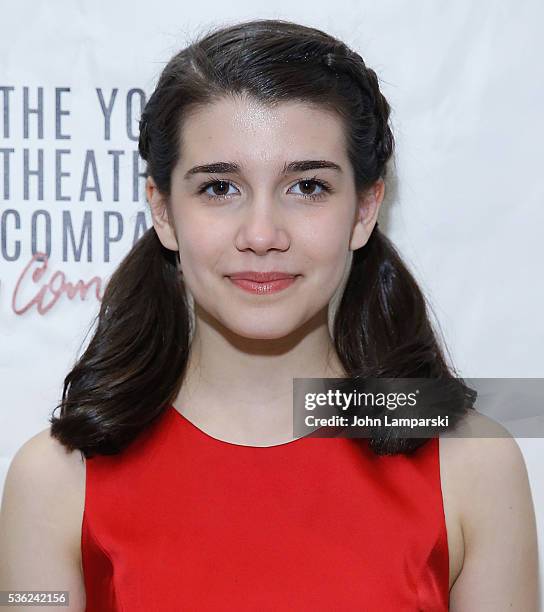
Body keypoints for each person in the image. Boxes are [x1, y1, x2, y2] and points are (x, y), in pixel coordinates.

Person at [0, 18, 538, 611]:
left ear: (364, 209)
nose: (262, 235)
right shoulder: (55, 480)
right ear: (163, 210)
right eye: (219, 189)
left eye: (307, 187)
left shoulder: (472, 462)